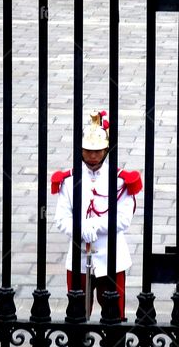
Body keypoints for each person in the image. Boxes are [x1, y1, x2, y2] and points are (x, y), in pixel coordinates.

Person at [50, 110, 142, 319]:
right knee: (77, 313)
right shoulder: (68, 180)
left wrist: (96, 226)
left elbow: (124, 219)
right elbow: (61, 218)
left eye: (98, 151)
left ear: (106, 149)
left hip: (111, 256)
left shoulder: (121, 180)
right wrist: (81, 228)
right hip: (79, 256)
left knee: (115, 313)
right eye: (88, 151)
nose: (93, 156)